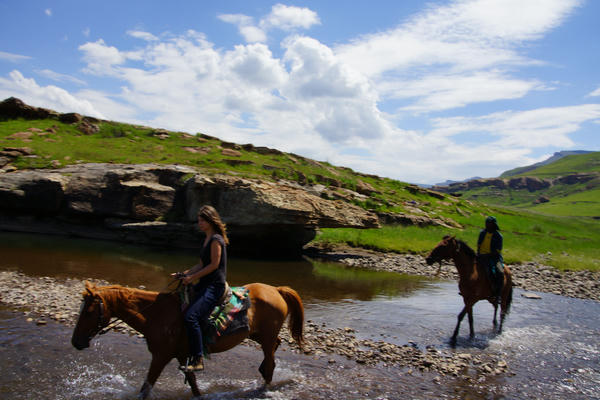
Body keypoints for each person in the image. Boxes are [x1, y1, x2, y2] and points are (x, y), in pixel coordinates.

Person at [172, 205, 229, 372]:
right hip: (205, 284)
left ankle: (198, 358)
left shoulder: (216, 239)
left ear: (211, 221)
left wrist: (192, 278)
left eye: (203, 220)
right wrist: (183, 274)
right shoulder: (206, 239)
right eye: (199, 220)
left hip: (214, 285)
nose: (200, 223)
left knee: (191, 317)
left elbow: (214, 265)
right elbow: (201, 264)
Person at [477, 216, 504, 304]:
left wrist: (487, 255)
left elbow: (497, 251)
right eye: (487, 223)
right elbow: (479, 245)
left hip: (495, 258)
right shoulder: (482, 233)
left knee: (500, 272)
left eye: (489, 224)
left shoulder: (498, 236)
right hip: (481, 256)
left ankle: (498, 295)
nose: (487, 225)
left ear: (494, 225)